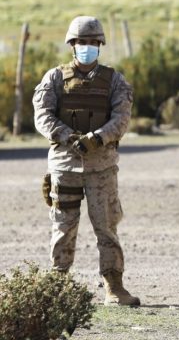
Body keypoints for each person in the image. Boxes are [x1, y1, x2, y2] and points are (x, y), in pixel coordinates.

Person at [32, 16, 140, 306]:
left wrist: (97, 138)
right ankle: (57, 288)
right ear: (72, 44)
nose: (87, 47)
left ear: (100, 45)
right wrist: (68, 136)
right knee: (63, 227)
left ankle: (114, 287)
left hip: (101, 168)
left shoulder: (115, 81)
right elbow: (42, 116)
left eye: (92, 42)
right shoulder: (54, 78)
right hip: (64, 166)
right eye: (82, 42)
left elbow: (122, 119)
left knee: (106, 227)